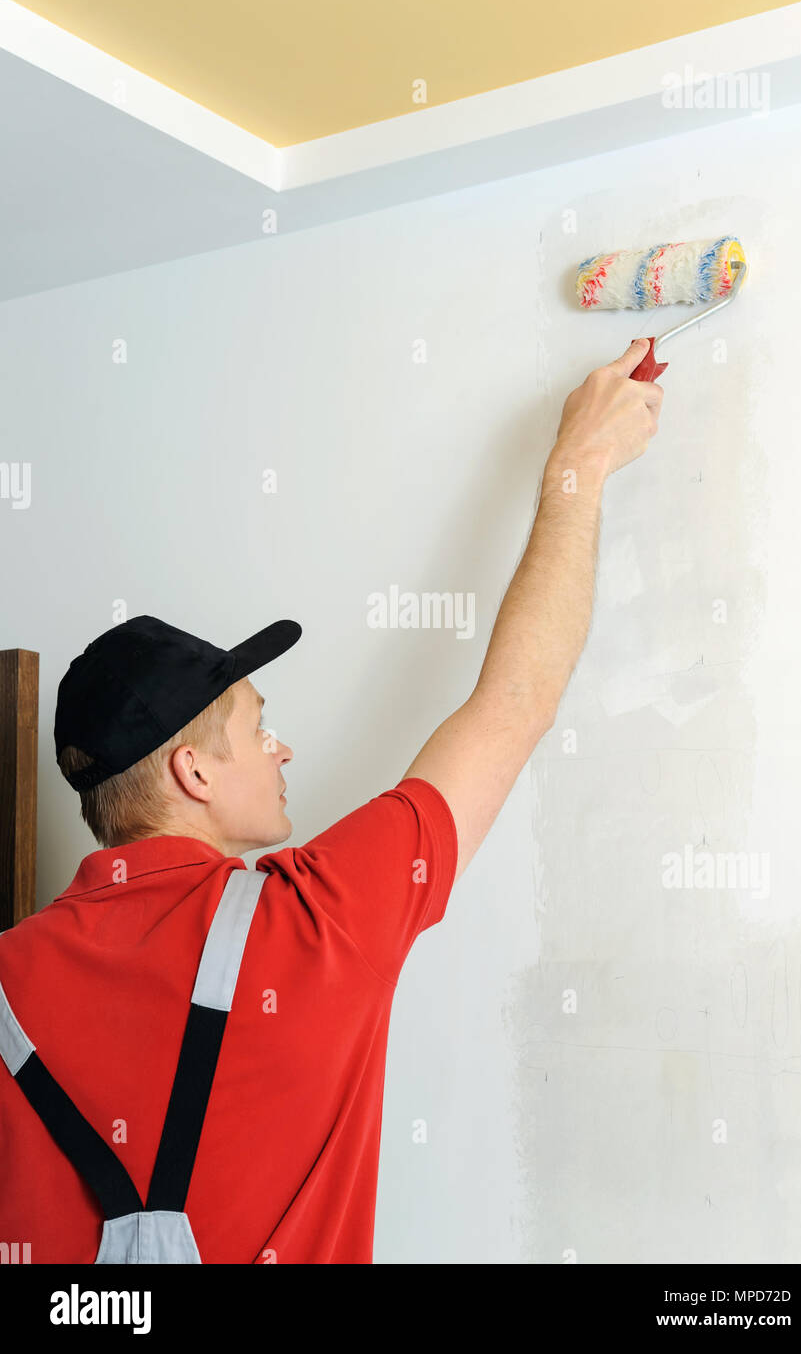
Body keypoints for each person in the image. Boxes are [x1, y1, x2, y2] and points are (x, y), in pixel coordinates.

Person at [0, 339, 662, 1264]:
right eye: (256, 726)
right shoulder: (314, 919)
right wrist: (577, 469)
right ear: (192, 772)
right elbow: (512, 707)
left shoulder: (7, 979)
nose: (283, 749)